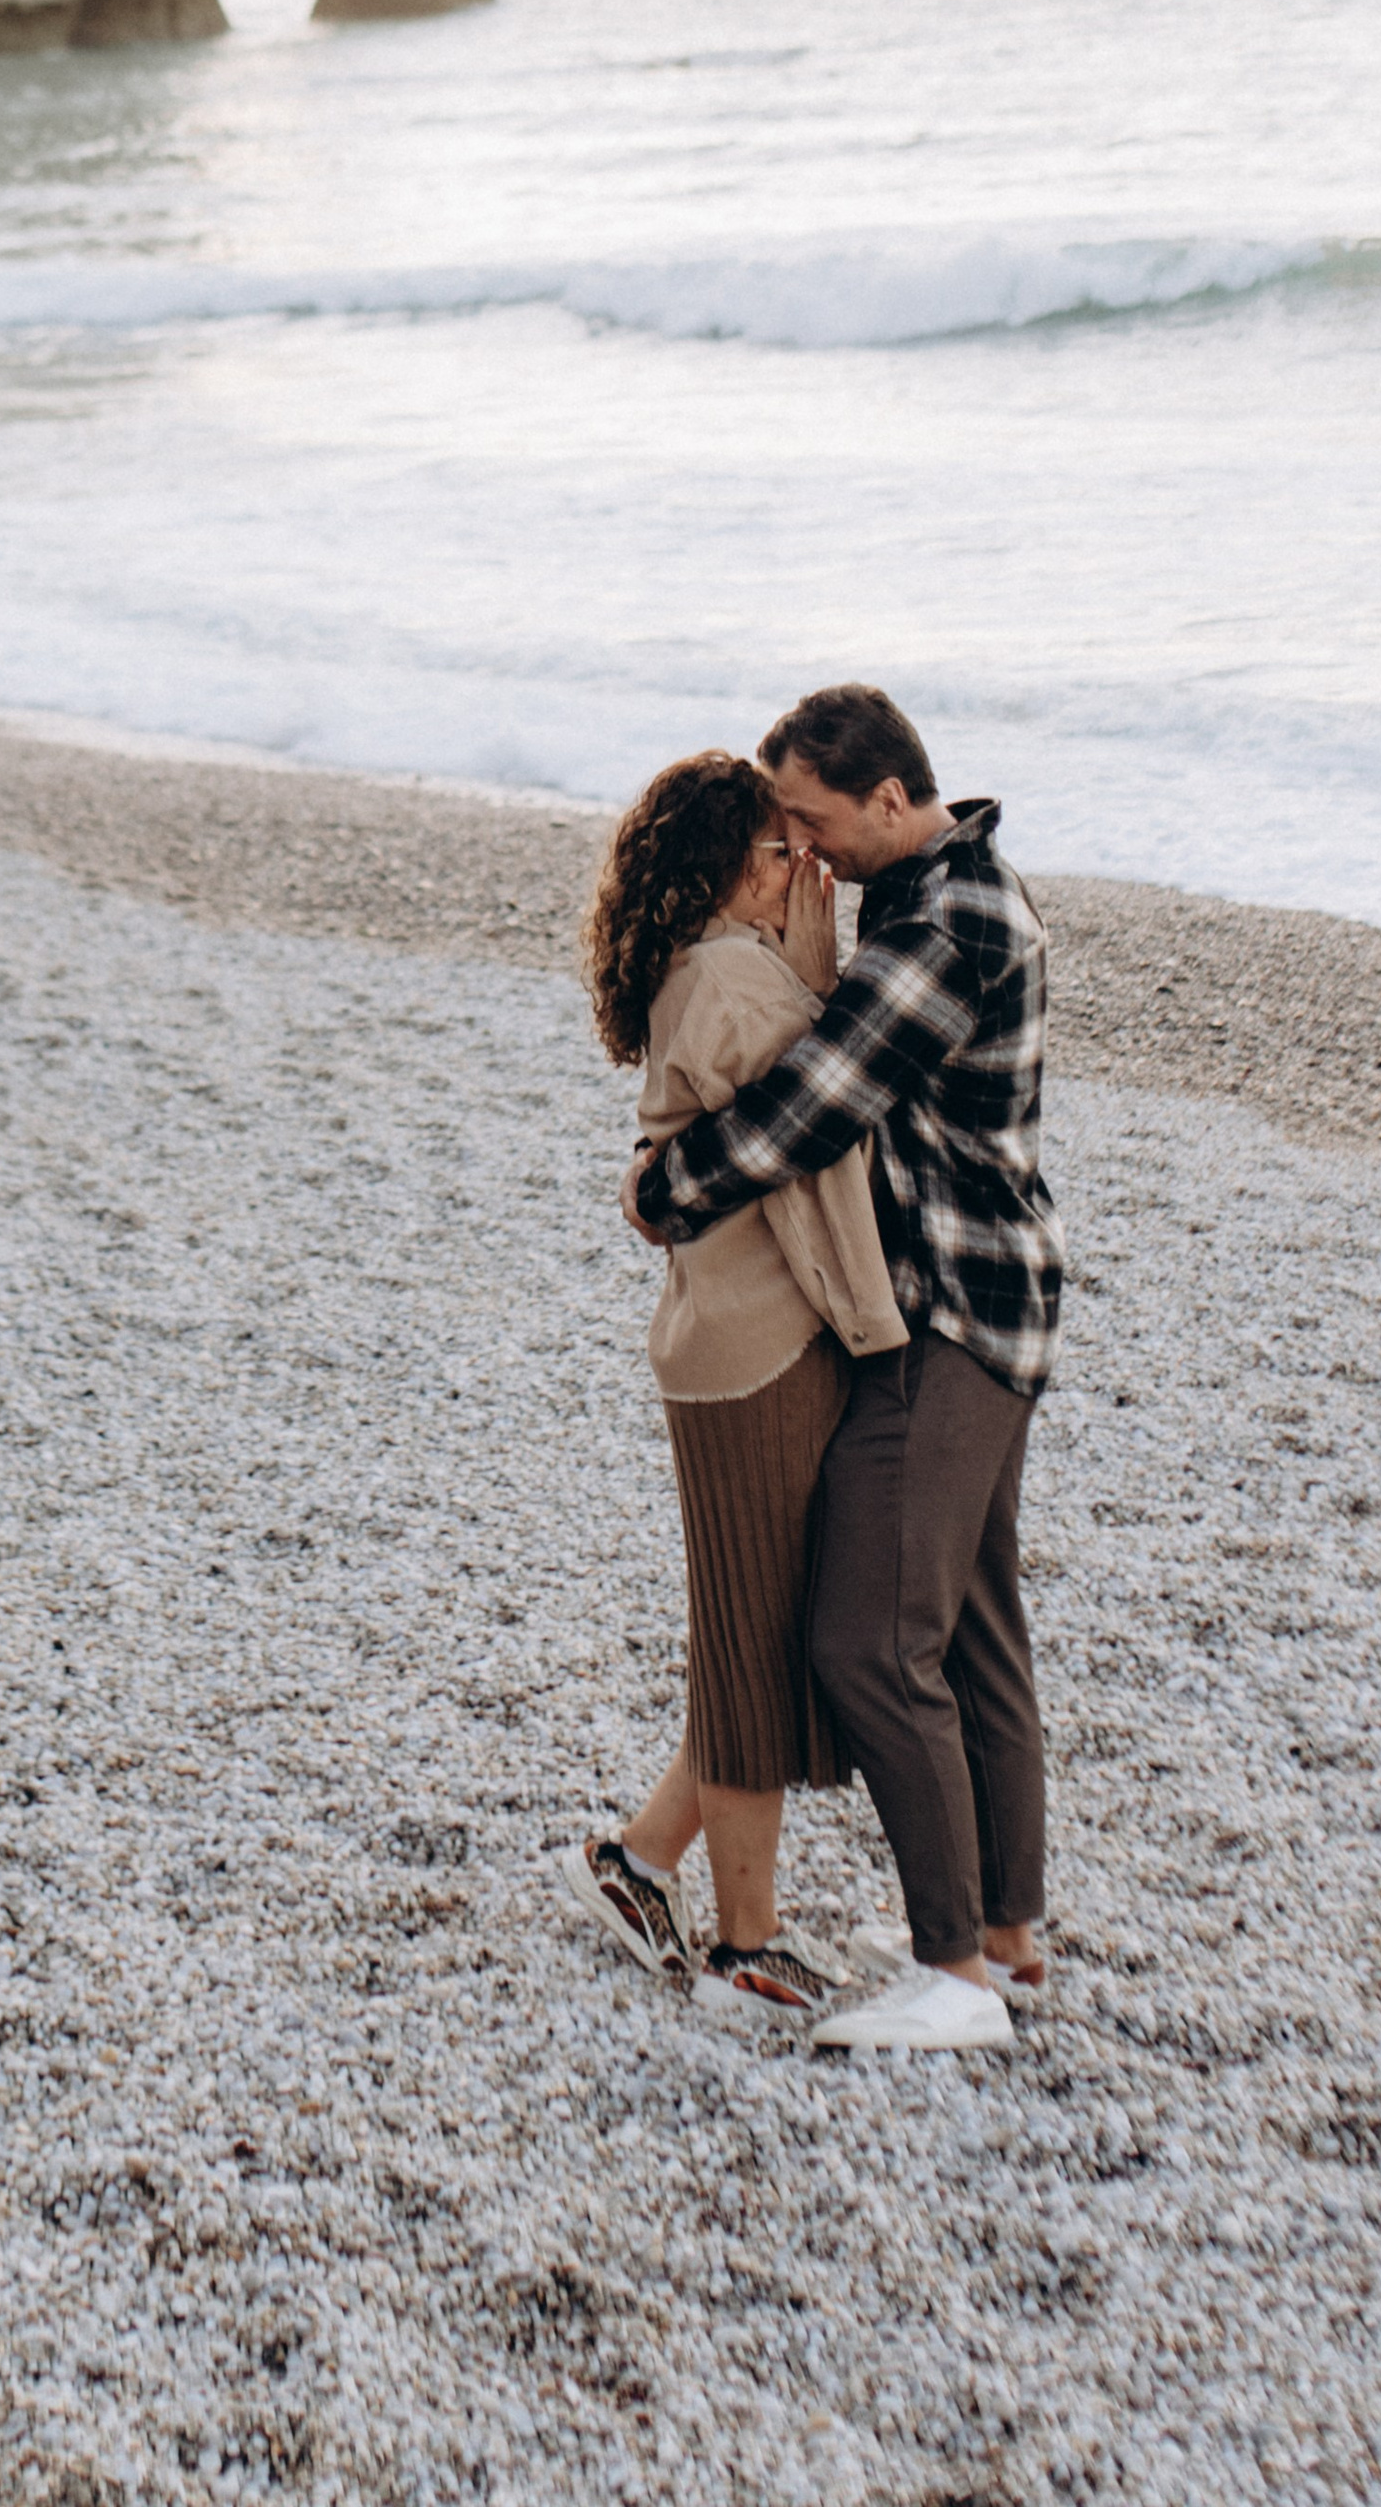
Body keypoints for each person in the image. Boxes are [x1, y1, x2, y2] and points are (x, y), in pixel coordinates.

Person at [622, 684, 1061, 2058]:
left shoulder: (938, 920)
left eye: (813, 823)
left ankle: (955, 1977)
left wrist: (663, 1189)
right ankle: (1003, 1940)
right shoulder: (936, 887)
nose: (804, 853)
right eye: (781, 838)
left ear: (888, 797)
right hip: (986, 1308)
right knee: (974, 1628)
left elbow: (815, 1105)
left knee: (869, 1640)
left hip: (950, 1323)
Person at [559, 751, 908, 2022]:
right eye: (778, 853)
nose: (800, 870)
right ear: (719, 869)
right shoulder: (728, 975)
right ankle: (743, 1949)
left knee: (755, 1637)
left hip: (731, 1339)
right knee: (752, 1649)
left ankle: (637, 1862)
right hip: (760, 1349)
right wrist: (876, 1329)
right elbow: (816, 1159)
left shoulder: (718, 969)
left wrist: (806, 973)